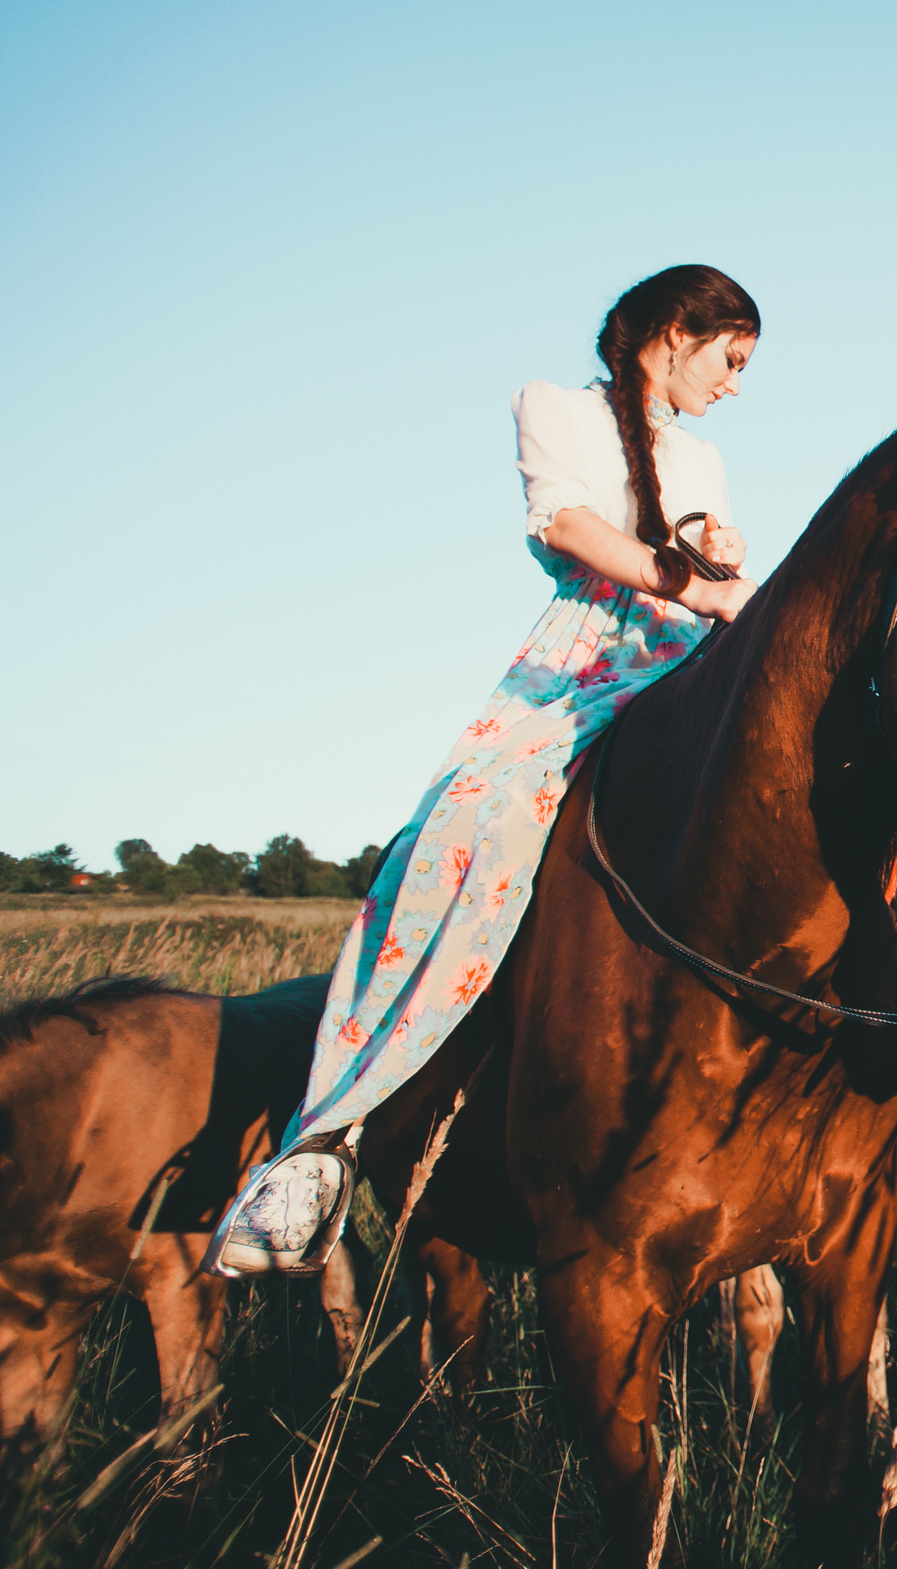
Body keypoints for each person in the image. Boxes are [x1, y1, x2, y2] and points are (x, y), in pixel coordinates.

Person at [206, 266, 764, 1278]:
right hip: (584, 661)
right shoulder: (553, 409)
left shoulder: (705, 457)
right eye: (730, 359)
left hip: (694, 652)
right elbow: (568, 525)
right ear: (677, 335)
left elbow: (708, 571)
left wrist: (723, 564)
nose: (735, 385)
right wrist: (693, 581)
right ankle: (327, 1132)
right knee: (472, 829)